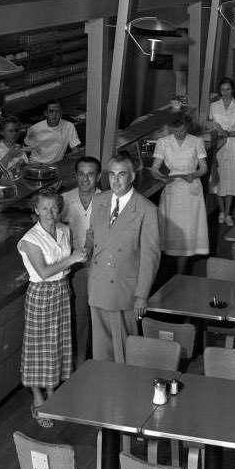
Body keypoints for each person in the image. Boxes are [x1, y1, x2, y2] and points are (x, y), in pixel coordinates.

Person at [18, 186, 87, 426]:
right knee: (38, 347)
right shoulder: (29, 240)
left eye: (54, 207)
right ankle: (37, 395)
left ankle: (51, 392)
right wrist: (72, 259)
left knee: (57, 343)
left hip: (61, 290)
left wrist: (80, 257)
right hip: (41, 294)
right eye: (45, 208)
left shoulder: (64, 230)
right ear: (36, 210)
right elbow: (44, 272)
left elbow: (67, 265)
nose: (50, 212)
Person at [86, 151, 161, 362]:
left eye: (121, 174)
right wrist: (87, 247)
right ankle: (103, 390)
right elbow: (92, 233)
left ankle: (126, 392)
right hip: (98, 285)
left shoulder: (147, 210)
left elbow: (150, 257)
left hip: (124, 290)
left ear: (132, 176)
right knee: (101, 352)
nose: (115, 180)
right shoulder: (99, 200)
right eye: (111, 174)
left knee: (125, 353)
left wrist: (142, 295)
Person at [151, 113, 209, 273]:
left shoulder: (196, 141)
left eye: (182, 131)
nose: (179, 134)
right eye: (176, 131)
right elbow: (155, 168)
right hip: (173, 189)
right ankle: (165, 271)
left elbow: (204, 168)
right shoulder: (163, 142)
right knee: (171, 229)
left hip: (191, 189)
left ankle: (181, 273)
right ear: (171, 129)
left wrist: (194, 174)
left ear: (187, 128)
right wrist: (162, 178)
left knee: (188, 229)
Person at [60, 155, 103, 362]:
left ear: (99, 176)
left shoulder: (107, 200)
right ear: (75, 176)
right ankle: (78, 364)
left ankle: (99, 360)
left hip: (102, 267)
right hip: (75, 268)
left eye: (91, 174)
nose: (86, 179)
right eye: (81, 174)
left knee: (101, 316)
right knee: (80, 317)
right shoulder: (65, 200)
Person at [206, 77, 235, 226]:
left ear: (233, 90)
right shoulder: (213, 106)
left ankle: (228, 212)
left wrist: (229, 134)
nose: (225, 92)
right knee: (218, 178)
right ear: (219, 91)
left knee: (231, 178)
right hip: (217, 146)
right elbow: (209, 125)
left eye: (228, 89)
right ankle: (221, 211)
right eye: (223, 89)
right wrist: (217, 131)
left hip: (233, 146)